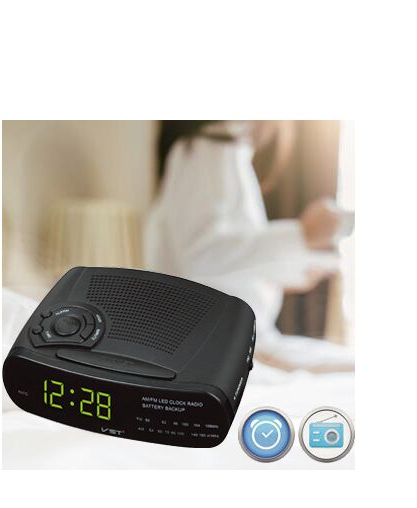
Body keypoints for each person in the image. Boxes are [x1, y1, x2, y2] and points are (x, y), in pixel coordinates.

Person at [143, 120, 353, 373]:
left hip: (244, 341)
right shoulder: (209, 149)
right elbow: (201, 259)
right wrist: (301, 237)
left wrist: (297, 266)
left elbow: (225, 259)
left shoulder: (225, 152)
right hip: (218, 347)